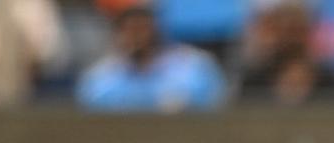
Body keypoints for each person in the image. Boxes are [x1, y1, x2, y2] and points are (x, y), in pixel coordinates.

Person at [76, 4, 226, 112]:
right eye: (129, 30)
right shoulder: (100, 78)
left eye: (142, 29)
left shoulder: (193, 66)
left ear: (158, 32)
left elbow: (213, 106)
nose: (136, 37)